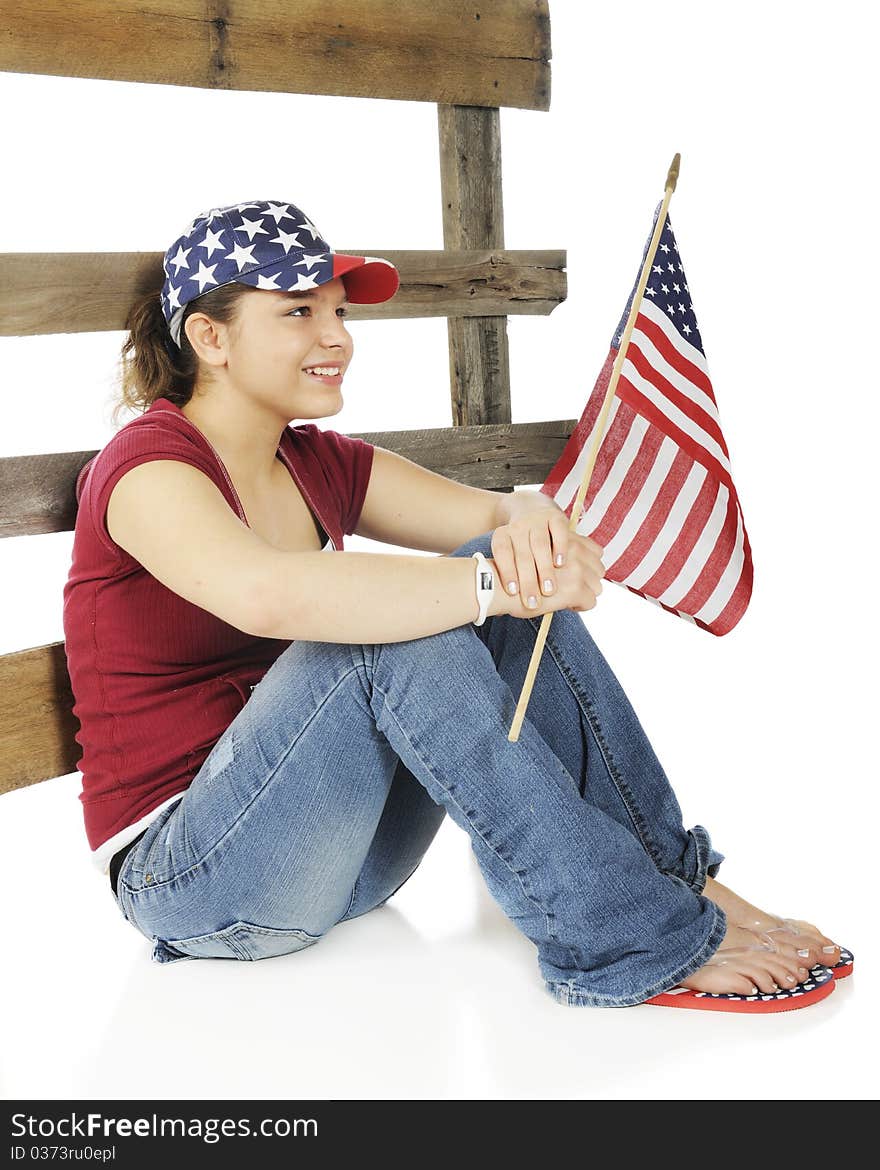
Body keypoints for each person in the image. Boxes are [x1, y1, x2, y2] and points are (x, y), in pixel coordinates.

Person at [62, 198, 848, 1011]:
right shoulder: (145, 471)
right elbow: (269, 596)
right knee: (400, 627)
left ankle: (670, 880)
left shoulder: (319, 462)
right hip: (195, 878)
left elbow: (491, 519)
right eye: (298, 311)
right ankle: (626, 933)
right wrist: (492, 587)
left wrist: (531, 525)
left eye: (336, 311)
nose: (336, 337)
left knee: (474, 580)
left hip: (347, 858)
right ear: (210, 338)